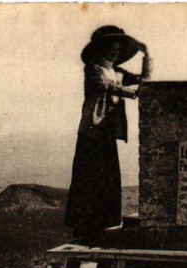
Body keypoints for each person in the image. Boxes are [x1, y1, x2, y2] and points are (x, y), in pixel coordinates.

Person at [65, 25, 151, 244]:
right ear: (101, 49)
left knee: (108, 179)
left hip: (107, 134)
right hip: (92, 132)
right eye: (110, 48)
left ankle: (104, 226)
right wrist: (133, 93)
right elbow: (107, 86)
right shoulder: (94, 69)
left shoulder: (119, 72)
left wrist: (147, 55)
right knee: (90, 178)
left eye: (117, 49)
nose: (114, 52)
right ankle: (86, 229)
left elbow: (145, 80)